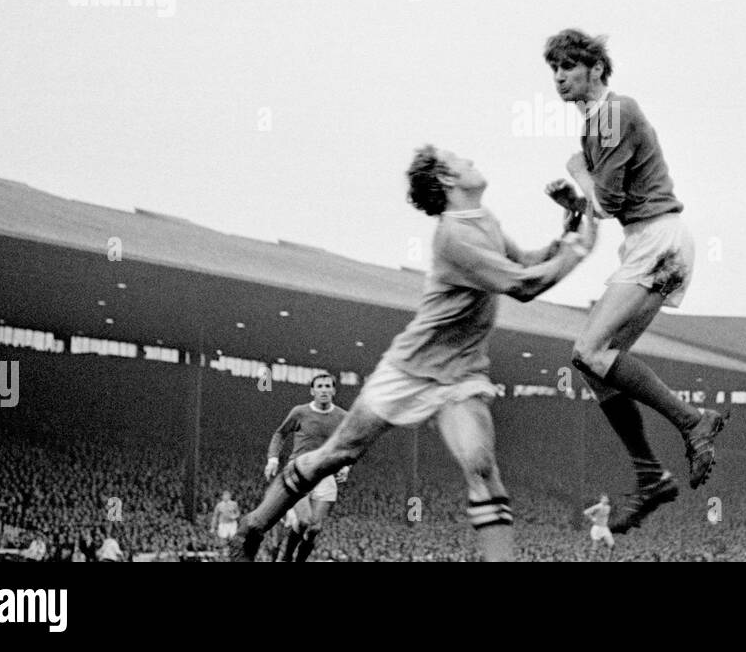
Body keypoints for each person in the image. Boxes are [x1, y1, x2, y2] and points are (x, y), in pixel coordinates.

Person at [230, 145, 597, 562]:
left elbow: (530, 263)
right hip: (411, 367)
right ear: (446, 180)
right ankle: (252, 528)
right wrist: (583, 244)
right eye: (459, 160)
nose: (470, 160)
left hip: (461, 375)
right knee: (338, 454)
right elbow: (526, 286)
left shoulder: (483, 219)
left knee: (481, 465)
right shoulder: (453, 238)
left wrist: (573, 222)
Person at [543, 29, 724, 535]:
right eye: (554, 69)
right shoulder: (597, 124)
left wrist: (579, 174)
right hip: (651, 243)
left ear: (596, 69)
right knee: (595, 366)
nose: (559, 77)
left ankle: (692, 422)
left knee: (589, 350)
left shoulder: (612, 114)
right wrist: (578, 203)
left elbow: (611, 202)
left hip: (657, 241)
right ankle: (651, 477)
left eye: (569, 67)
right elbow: (606, 203)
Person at [262, 374, 350, 562]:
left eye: (328, 386)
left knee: (315, 528)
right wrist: (273, 459)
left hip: (325, 474)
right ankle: (286, 557)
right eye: (320, 386)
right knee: (303, 521)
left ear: (334, 390)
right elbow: (280, 433)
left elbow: (350, 443)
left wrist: (346, 466)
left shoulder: (342, 416)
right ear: (312, 391)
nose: (324, 390)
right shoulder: (300, 412)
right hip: (298, 472)